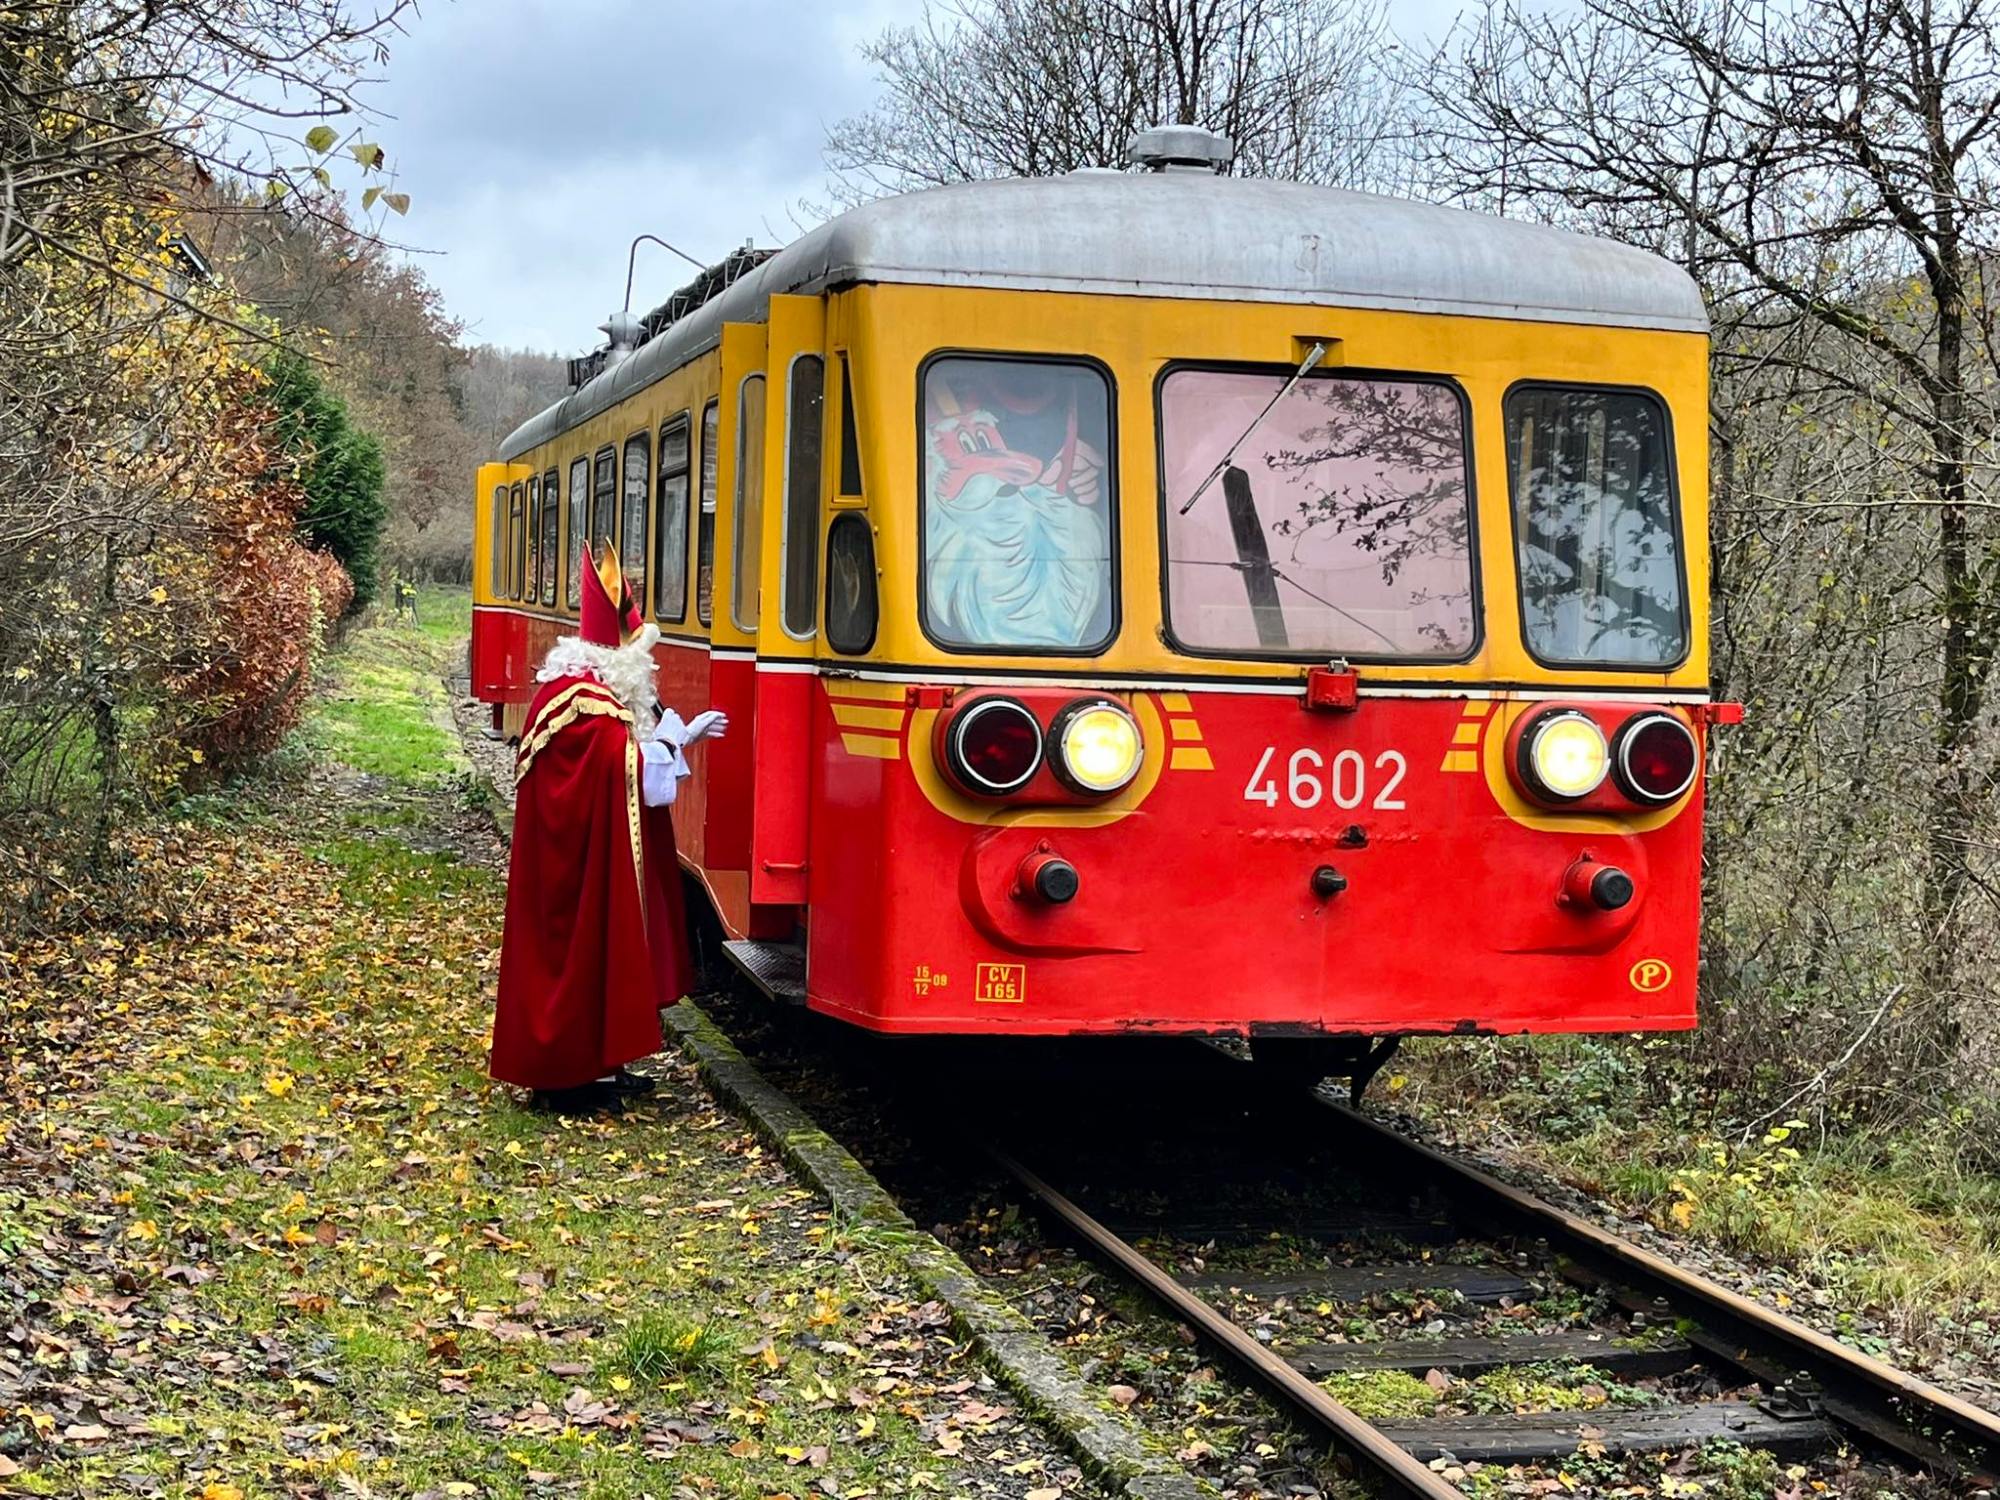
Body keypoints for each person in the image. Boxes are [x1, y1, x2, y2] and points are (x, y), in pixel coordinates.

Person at [489, 544, 726, 1114]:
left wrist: (669, 740)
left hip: (578, 858)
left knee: (598, 950)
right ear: (617, 658)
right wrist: (673, 741)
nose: (650, 669)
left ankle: (596, 1067)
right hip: (570, 871)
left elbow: (616, 762)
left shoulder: (590, 697)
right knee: (578, 953)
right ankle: (566, 1077)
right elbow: (610, 765)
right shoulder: (583, 702)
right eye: (643, 658)